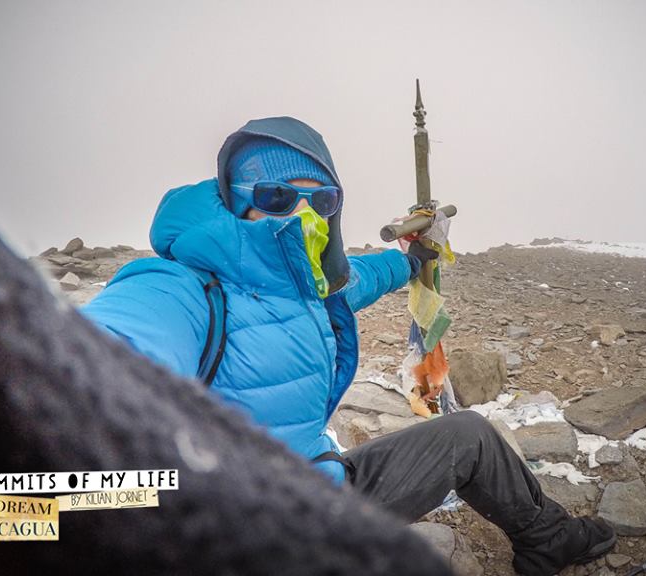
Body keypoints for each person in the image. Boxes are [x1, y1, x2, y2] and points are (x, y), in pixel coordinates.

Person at [81, 116, 616, 576]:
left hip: (320, 492)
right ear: (237, 200)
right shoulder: (179, 289)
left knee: (469, 437)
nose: (301, 215)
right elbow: (74, 385)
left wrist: (415, 256)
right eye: (276, 196)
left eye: (322, 200)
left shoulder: (309, 283)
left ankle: (546, 541)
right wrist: (10, 517)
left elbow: (358, 276)